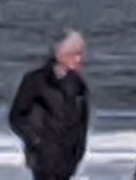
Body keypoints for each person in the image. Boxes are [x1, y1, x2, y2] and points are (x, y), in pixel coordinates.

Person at [8, 30, 90, 180]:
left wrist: (79, 151)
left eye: (81, 54)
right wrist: (36, 141)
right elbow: (17, 117)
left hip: (68, 160)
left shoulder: (79, 85)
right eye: (75, 54)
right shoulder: (36, 81)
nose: (80, 59)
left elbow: (82, 122)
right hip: (42, 159)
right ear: (60, 53)